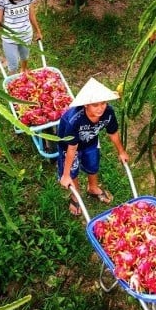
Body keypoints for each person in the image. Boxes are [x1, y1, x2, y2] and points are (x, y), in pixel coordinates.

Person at [57, 78, 129, 216]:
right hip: (70, 147)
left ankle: (93, 188)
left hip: (90, 141)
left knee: (93, 164)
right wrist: (65, 175)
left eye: (103, 103)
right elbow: (72, 148)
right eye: (95, 105)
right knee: (73, 170)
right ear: (86, 105)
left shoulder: (108, 112)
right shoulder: (74, 120)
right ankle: (75, 195)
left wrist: (121, 152)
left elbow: (113, 132)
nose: (100, 108)